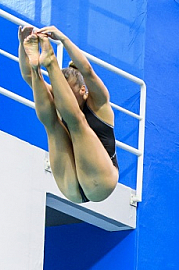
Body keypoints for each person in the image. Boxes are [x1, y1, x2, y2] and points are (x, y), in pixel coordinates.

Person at [18, 26, 119, 202]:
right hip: (71, 188)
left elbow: (87, 70)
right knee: (52, 124)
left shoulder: (99, 103)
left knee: (77, 122)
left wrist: (64, 39)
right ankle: (40, 66)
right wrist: (22, 46)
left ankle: (50, 62)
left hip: (102, 181)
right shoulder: (59, 99)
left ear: (82, 90)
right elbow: (28, 76)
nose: (62, 96)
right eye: (60, 91)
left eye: (66, 91)